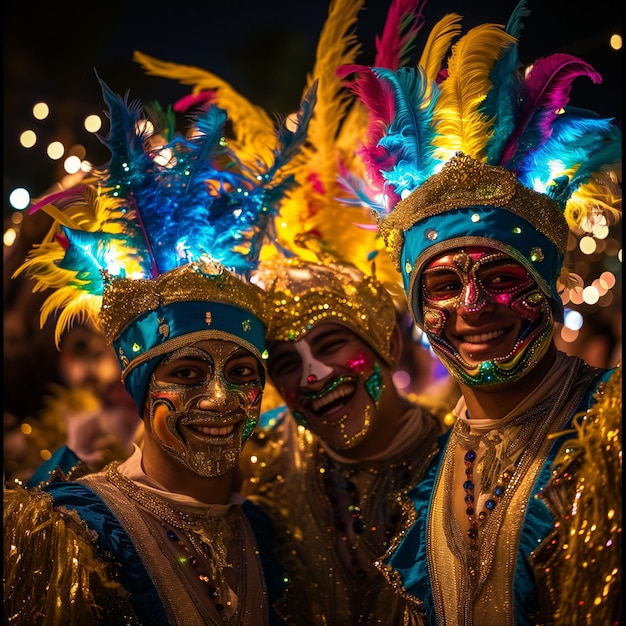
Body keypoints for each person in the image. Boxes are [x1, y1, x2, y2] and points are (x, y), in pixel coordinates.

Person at [340, 2, 622, 624]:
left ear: (548, 289)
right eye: (441, 285)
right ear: (414, 306)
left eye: (501, 278)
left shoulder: (609, 427)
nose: (473, 307)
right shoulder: (428, 470)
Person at [4, 74, 316, 625]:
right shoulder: (76, 533)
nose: (220, 397)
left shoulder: (265, 534)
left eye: (243, 372)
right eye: (189, 372)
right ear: (140, 387)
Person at [241, 252, 449, 625]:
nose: (313, 376)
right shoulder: (260, 457)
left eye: (330, 344)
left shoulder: (462, 458)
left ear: (389, 344)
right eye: (288, 363)